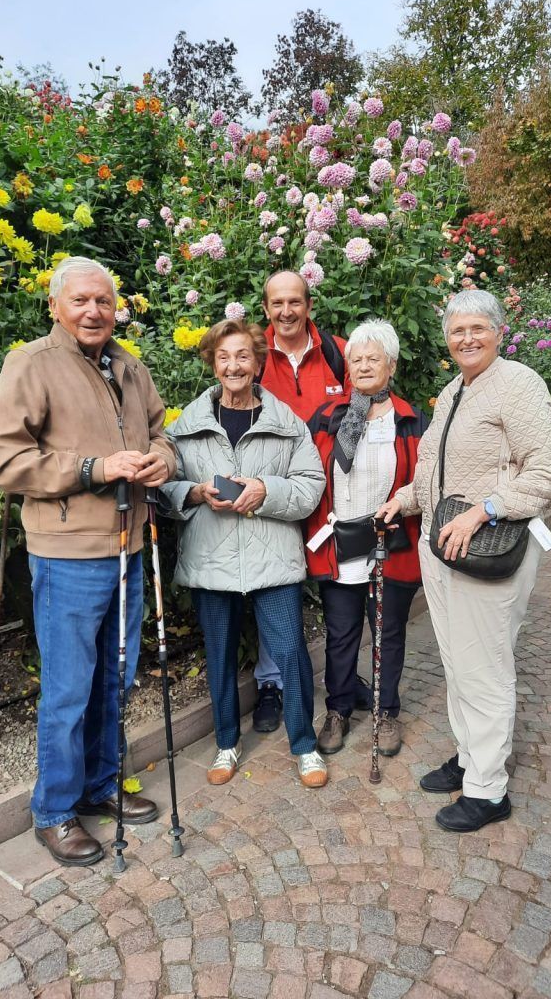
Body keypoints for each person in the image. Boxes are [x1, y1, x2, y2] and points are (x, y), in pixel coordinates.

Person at [0, 256, 176, 866]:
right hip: (68, 557)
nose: (94, 311)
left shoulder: (129, 365)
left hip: (128, 548)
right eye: (81, 301)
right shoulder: (31, 365)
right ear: (56, 307)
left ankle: (99, 785)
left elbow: (160, 433)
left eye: (104, 301)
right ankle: (56, 811)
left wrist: (162, 462)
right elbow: (7, 463)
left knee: (113, 682)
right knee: (69, 690)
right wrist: (92, 469)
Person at [378, 289, 551, 833]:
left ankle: (488, 789)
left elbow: (545, 469)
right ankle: (469, 758)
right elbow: (435, 473)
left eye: (477, 328)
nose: (466, 338)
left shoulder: (518, 384)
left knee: (483, 668)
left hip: (487, 550)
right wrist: (405, 500)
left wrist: (485, 510)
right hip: (443, 549)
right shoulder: (454, 388)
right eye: (457, 330)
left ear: (499, 331)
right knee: (460, 663)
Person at [160, 317, 328, 788]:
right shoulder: (186, 428)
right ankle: (227, 742)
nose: (233, 366)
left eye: (243, 356)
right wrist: (193, 494)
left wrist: (265, 491)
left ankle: (305, 745)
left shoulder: (285, 424)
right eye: (223, 356)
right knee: (219, 654)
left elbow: (311, 486)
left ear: (258, 362)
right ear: (212, 363)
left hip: (272, 557)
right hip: (211, 558)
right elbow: (163, 487)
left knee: (291, 652)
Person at [304, 319, 424, 758]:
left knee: (389, 633)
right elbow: (310, 476)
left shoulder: (411, 421)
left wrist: (403, 508)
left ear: (390, 365)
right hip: (340, 545)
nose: (364, 365)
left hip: (391, 544)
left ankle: (385, 710)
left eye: (374, 358)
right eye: (356, 359)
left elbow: (425, 481)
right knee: (340, 634)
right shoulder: (329, 417)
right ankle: (338, 709)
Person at [250, 270, 351, 733]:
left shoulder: (339, 351)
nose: (286, 311)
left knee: (339, 589)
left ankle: (342, 684)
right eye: (277, 303)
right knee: (274, 585)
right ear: (266, 308)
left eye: (295, 302)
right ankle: (272, 683)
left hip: (333, 493)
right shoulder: (253, 354)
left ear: (309, 305)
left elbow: (366, 407)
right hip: (273, 493)